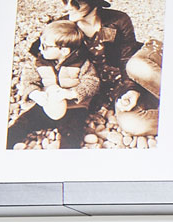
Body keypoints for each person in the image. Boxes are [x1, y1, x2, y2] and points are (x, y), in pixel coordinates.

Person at [6, 20, 101, 148]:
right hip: (46, 104)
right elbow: (28, 80)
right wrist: (34, 93)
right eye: (40, 43)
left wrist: (71, 93)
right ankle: (1, 145)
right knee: (22, 122)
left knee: (72, 132)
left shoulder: (82, 64)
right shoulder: (39, 62)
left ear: (64, 50)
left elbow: (92, 82)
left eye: (45, 46)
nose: (39, 48)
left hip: (74, 107)